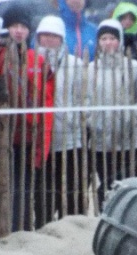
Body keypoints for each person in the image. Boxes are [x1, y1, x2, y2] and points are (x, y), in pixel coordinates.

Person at [0, 4, 54, 234]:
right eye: (14, 26)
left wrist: (40, 131)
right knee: (0, 185)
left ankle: (21, 229)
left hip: (28, 135)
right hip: (2, 133)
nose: (19, 31)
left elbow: (46, 97)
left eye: (23, 26)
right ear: (7, 29)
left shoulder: (38, 60)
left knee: (23, 187)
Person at [33, 14, 88, 227]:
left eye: (54, 36)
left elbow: (85, 97)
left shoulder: (75, 64)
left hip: (70, 138)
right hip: (40, 140)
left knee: (73, 190)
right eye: (44, 35)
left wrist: (75, 120)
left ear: (62, 39)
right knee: (43, 193)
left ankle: (73, 229)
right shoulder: (32, 61)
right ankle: (43, 226)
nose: (48, 40)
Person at [88, 18, 137, 206]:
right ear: (98, 42)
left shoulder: (134, 67)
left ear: (120, 40)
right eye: (104, 38)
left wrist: (132, 118)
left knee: (129, 183)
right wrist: (93, 122)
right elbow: (83, 99)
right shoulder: (91, 69)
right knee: (106, 183)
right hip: (101, 140)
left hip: (129, 138)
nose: (108, 43)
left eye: (113, 38)